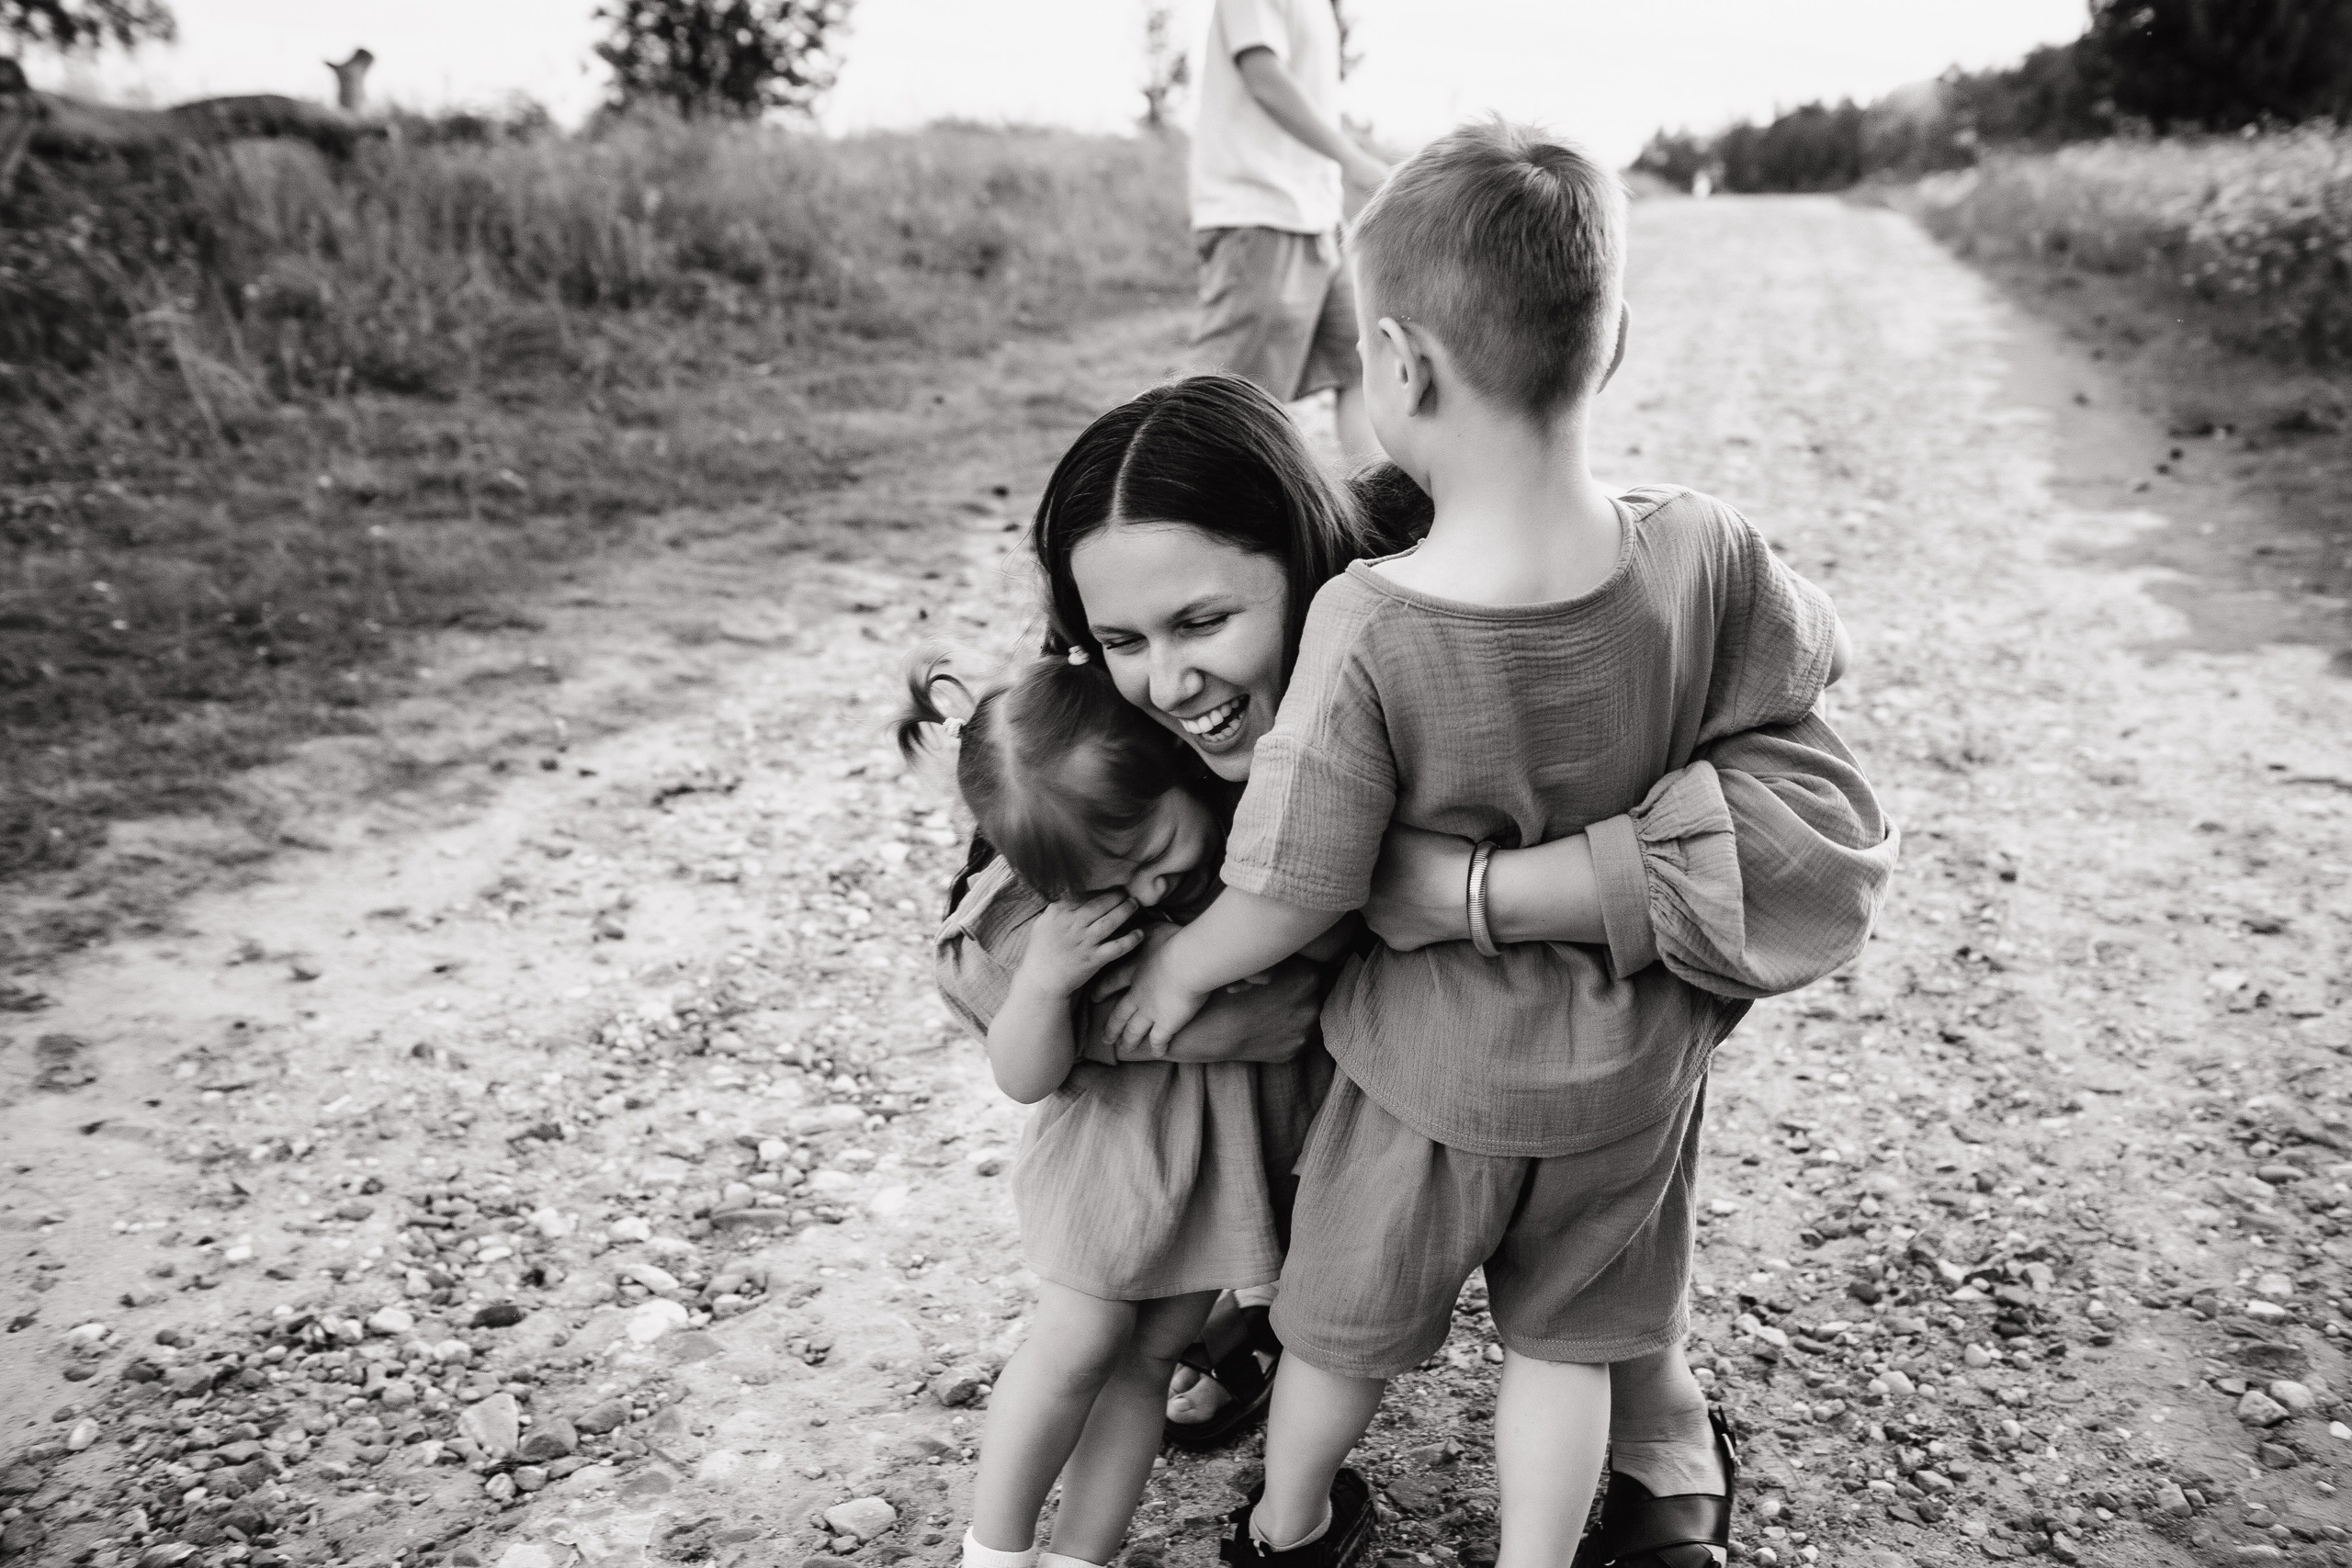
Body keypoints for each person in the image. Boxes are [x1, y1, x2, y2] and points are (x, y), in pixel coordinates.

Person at [1103, 124, 1894, 1568]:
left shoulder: (1368, 617)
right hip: (1629, 1070)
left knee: (1342, 1322)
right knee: (1568, 1346)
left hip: (1430, 1074)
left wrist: (1181, 968)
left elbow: (1293, 883)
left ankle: (1290, 1524)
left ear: (1396, 367)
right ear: (1613, 346)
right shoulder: (1704, 545)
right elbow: (1812, 664)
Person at [904, 649, 1347, 1568]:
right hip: (1113, 1168)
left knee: (1146, 1365)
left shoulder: (1244, 842)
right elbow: (1021, 1076)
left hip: (1213, 1182)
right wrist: (1047, 988)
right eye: (1112, 883)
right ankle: (993, 1548)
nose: (1146, 891)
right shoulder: (1055, 925)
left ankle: (1081, 1555)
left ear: (1172, 764)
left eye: (1152, 856)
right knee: (1079, 1342)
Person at [1189, 0, 1387, 460]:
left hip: (1318, 218)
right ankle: (1132, 512)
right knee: (1220, 402)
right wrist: (1351, 157)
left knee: (1366, 361)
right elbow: (1264, 78)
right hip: (1260, 215)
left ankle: (1382, 517)